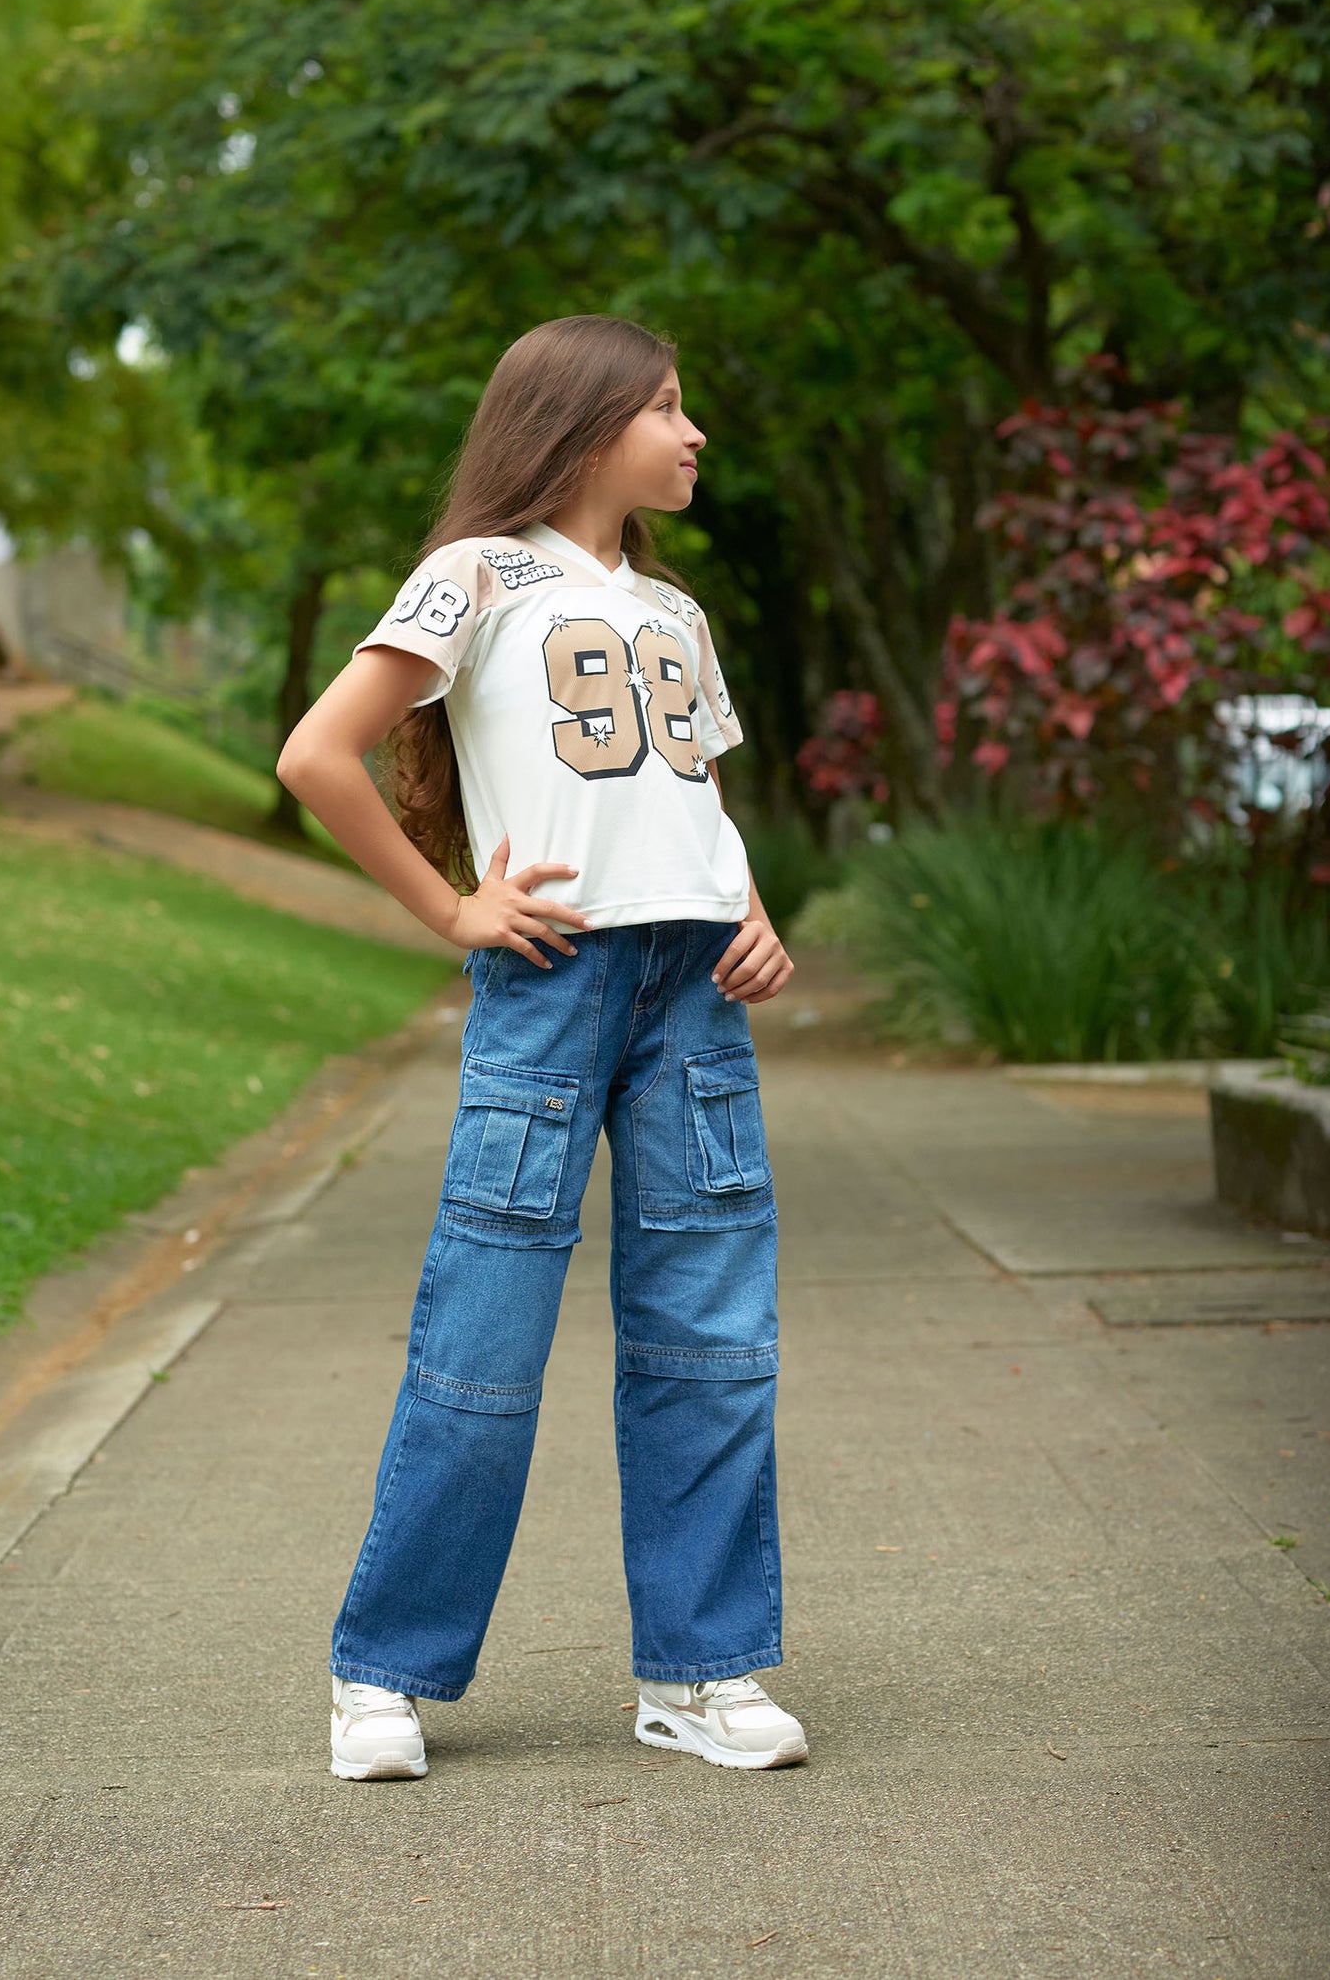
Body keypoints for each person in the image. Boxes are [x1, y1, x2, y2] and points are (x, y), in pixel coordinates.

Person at [277, 314, 806, 1780]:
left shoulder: (676, 610)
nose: (693, 434)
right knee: (483, 1341)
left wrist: (750, 910)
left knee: (712, 1344)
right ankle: (381, 1676)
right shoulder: (477, 575)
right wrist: (453, 908)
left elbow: (689, 793)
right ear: (582, 427)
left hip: (695, 994)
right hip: (552, 978)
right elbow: (316, 754)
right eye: (667, 407)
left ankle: (699, 1672)